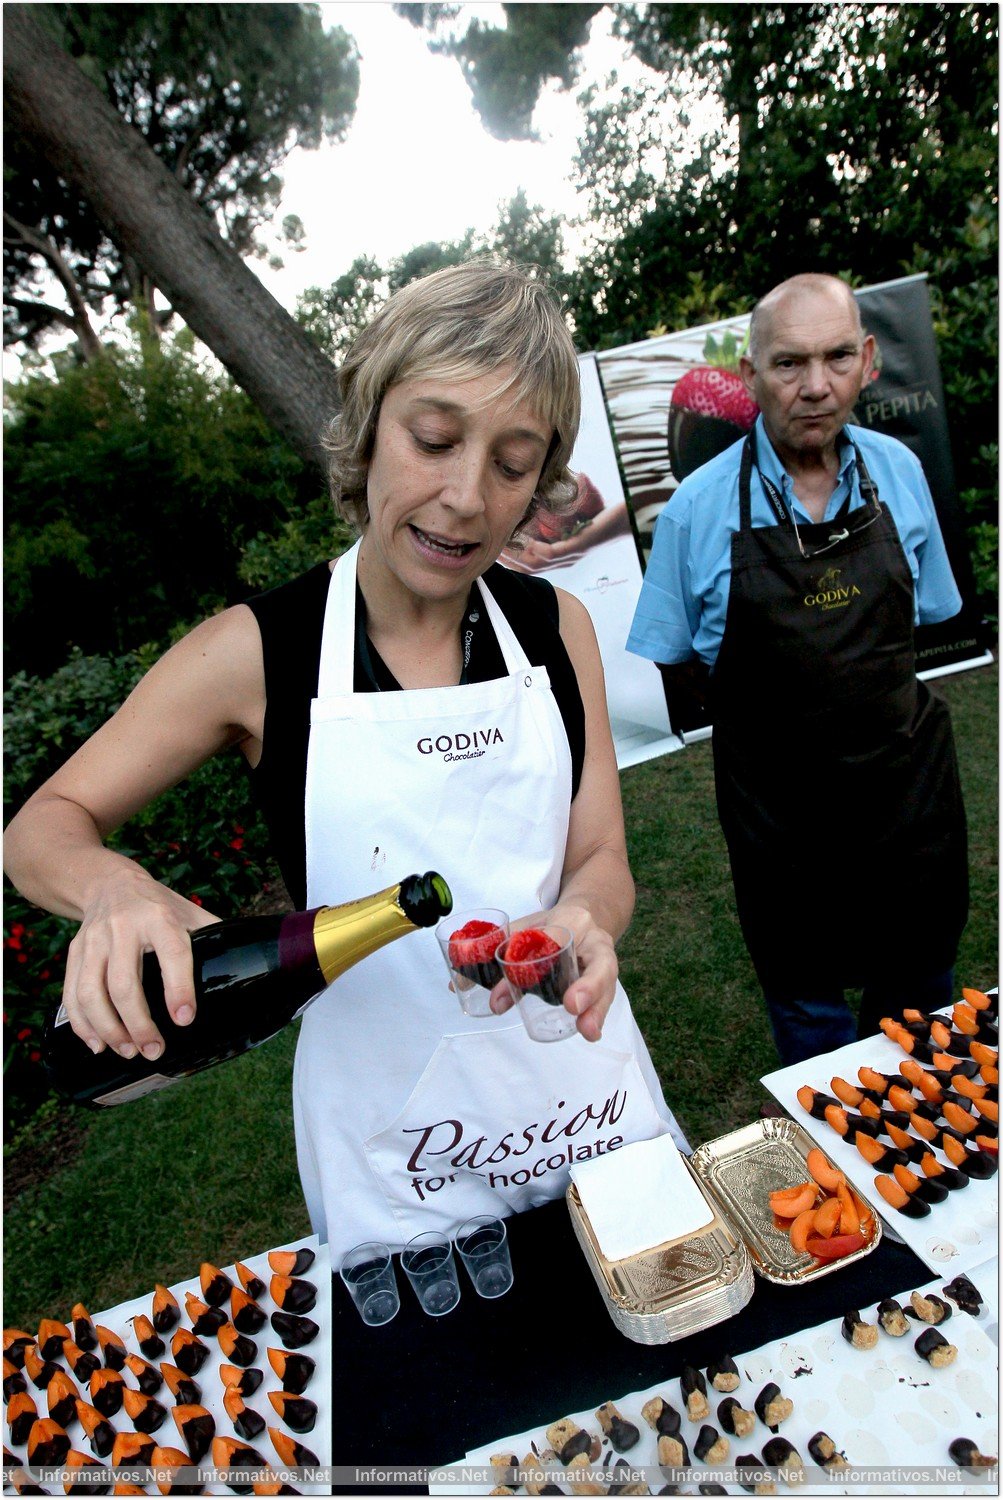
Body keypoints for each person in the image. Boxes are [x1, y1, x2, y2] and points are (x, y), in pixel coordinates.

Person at [5, 261, 686, 1257]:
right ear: (366, 431)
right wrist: (114, 889)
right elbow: (38, 827)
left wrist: (584, 915)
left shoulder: (556, 627)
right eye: (435, 439)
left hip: (585, 1094)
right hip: (397, 1152)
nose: (464, 497)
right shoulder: (254, 652)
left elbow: (602, 858)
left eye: (510, 462)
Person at [627, 273, 968, 1068]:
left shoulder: (901, 474)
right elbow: (674, 656)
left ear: (868, 360)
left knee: (919, 1022)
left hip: (906, 801)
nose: (815, 387)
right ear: (751, 376)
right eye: (788, 364)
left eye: (836, 357)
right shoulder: (694, 513)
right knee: (811, 1023)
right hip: (779, 822)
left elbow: (929, 613)